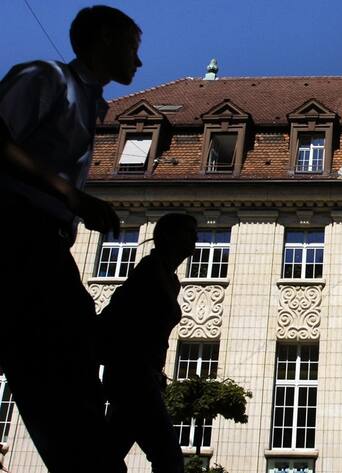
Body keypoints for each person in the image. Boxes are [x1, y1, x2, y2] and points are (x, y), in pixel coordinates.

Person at [0, 5, 141, 473]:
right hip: (18, 233)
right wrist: (70, 195)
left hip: (45, 240)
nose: (139, 61)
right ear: (105, 40)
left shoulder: (92, 105)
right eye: (133, 47)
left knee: (69, 354)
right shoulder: (46, 78)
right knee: (65, 354)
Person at [99, 213, 197, 473]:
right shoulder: (150, 271)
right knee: (168, 457)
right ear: (168, 236)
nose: (195, 238)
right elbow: (119, 316)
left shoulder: (170, 278)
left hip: (141, 375)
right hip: (134, 375)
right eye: (188, 232)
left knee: (106, 457)